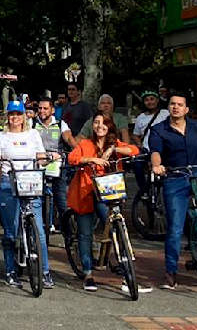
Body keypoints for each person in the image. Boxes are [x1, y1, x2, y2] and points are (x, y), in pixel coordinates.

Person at [148, 91, 197, 290]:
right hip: (174, 178)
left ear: (186, 109)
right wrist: (157, 166)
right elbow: (155, 152)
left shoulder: (196, 127)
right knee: (175, 226)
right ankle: (171, 270)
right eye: (173, 104)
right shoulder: (159, 129)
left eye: (180, 104)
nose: (176, 107)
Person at [68, 113, 139, 292]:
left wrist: (114, 150)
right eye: (96, 123)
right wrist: (91, 159)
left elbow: (134, 150)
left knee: (114, 227)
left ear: (110, 126)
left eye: (103, 123)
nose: (100, 126)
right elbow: (72, 158)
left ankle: (125, 270)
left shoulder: (114, 144)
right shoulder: (86, 144)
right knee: (85, 233)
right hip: (86, 192)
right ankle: (88, 273)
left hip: (107, 192)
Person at [0, 99, 57, 289]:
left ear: (23, 116)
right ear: (7, 116)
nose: (15, 118)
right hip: (9, 182)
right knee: (10, 232)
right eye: (12, 114)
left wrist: (51, 157)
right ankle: (10, 270)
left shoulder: (33, 134)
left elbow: (41, 158)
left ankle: (44, 272)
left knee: (39, 230)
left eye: (18, 114)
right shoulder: (0, 137)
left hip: (30, 182)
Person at [31, 96, 76, 229]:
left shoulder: (60, 124)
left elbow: (69, 138)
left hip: (57, 163)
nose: (42, 111)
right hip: (38, 164)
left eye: (45, 108)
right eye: (40, 108)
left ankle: (68, 233)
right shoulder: (32, 124)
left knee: (61, 200)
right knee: (36, 199)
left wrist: (77, 151)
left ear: (52, 110)